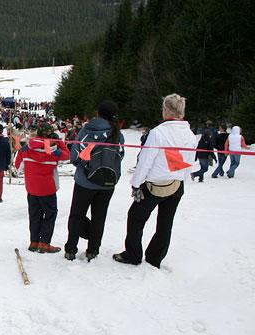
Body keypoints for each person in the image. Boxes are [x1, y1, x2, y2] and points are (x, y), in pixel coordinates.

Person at [114, 93, 197, 268]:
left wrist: (136, 184)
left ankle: (133, 254)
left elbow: (145, 161)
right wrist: (182, 181)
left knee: (136, 218)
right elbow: (190, 160)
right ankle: (155, 257)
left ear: (166, 110)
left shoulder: (158, 133)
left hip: (155, 185)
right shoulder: (190, 134)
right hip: (176, 185)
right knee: (165, 224)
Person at [65, 100, 124, 262]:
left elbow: (75, 156)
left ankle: (71, 249)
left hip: (85, 182)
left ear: (98, 113)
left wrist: (86, 166)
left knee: (77, 215)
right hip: (108, 183)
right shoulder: (118, 133)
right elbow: (120, 155)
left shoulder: (86, 131)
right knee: (99, 216)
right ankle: (93, 249)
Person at [15, 123, 69, 253]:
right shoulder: (53, 149)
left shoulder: (26, 148)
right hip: (48, 188)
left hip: (32, 188)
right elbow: (68, 155)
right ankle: (44, 243)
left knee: (34, 215)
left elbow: (18, 166)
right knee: (50, 215)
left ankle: (34, 242)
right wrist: (59, 142)